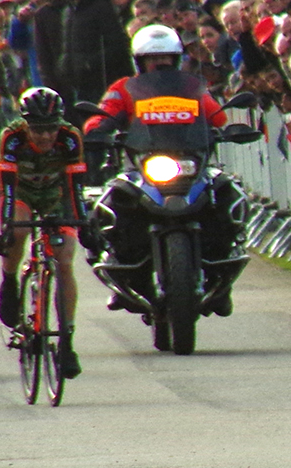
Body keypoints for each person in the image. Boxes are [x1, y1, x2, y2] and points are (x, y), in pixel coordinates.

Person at [84, 24, 246, 319]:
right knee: (107, 204)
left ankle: (221, 277)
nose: (160, 64)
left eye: (166, 59)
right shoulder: (124, 88)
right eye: (152, 59)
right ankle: (120, 269)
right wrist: (99, 128)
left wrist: (227, 128)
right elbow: (102, 115)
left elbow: (217, 116)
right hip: (142, 166)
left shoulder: (192, 88)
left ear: (177, 59)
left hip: (190, 163)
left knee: (227, 192)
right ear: (139, 62)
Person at [0, 86, 86, 379]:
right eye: (37, 129)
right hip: (22, 193)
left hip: (55, 195)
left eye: (51, 129)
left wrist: (83, 223)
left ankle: (67, 341)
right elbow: (7, 188)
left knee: (65, 259)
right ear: (25, 125)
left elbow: (75, 187)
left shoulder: (70, 138)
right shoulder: (11, 137)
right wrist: (7, 228)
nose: (45, 136)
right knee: (18, 233)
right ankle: (9, 282)